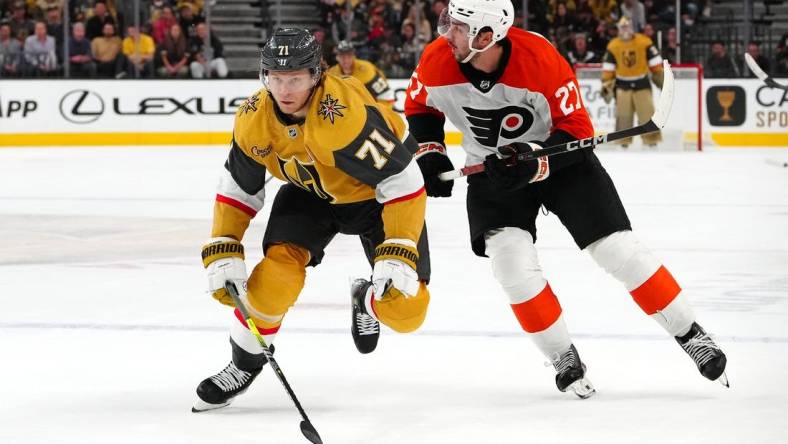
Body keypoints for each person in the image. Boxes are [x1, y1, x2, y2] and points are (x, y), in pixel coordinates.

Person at [404, 0, 727, 399]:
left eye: (456, 27)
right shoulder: (437, 58)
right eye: (448, 23)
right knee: (511, 266)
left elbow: (576, 130)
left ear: (485, 36)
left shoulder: (540, 58)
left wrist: (535, 159)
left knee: (618, 251)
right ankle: (562, 355)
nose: (445, 33)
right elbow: (419, 106)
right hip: (490, 172)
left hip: (561, 161)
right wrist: (431, 149)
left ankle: (689, 333)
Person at [192, 27, 431, 412]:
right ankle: (243, 365)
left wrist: (400, 246)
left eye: (296, 79)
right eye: (276, 78)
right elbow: (239, 186)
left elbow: (401, 180)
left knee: (406, 312)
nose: (285, 90)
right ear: (264, 75)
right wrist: (225, 242)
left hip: (377, 198)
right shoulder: (254, 118)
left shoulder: (341, 116)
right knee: (274, 278)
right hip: (312, 195)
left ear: (316, 76)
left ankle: (366, 301)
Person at [601, 16, 663, 148]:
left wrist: (661, 79)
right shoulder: (613, 45)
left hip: (642, 84)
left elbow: (655, 64)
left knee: (647, 114)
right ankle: (623, 143)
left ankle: (652, 141)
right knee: (623, 116)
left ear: (632, 27)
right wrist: (607, 84)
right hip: (623, 85)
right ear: (618, 29)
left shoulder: (644, 42)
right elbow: (608, 68)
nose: (625, 29)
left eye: (627, 26)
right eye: (622, 27)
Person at [327, 40, 394, 107]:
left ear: (354, 56)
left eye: (349, 56)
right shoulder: (332, 73)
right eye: (342, 56)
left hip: (372, 109)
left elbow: (385, 94)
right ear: (337, 57)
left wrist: (381, 113)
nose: (346, 60)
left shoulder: (367, 69)